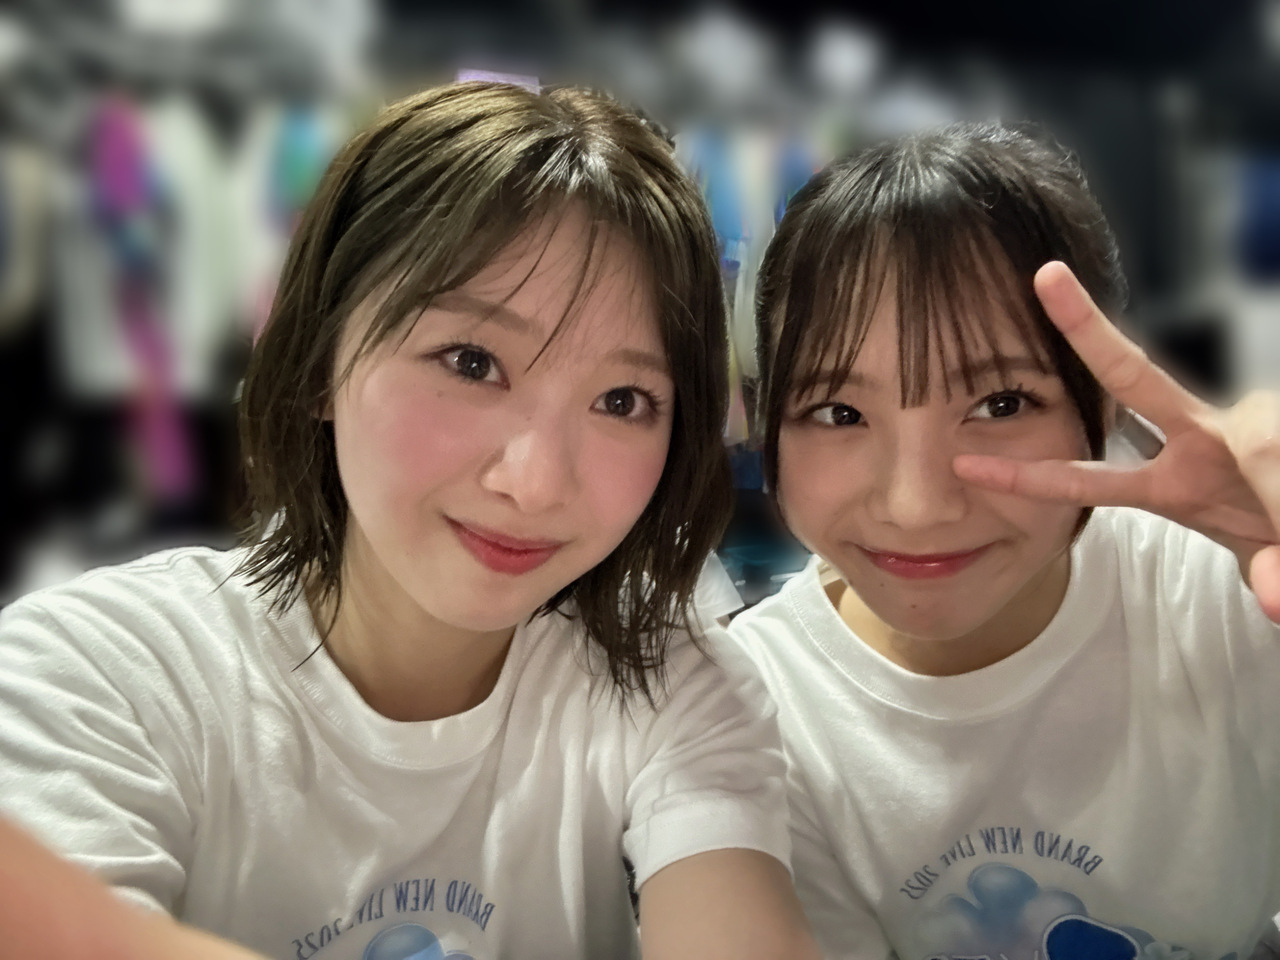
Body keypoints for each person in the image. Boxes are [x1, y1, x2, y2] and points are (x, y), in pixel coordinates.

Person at [0, 82, 821, 960]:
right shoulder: (90, 675)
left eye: (622, 400)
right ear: (319, 358)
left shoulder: (669, 678)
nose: (536, 483)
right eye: (470, 362)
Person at [726, 122, 1280, 959]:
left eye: (1001, 404)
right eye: (839, 413)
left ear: (1100, 406)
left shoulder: (1225, 593)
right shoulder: (754, 707)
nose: (917, 507)